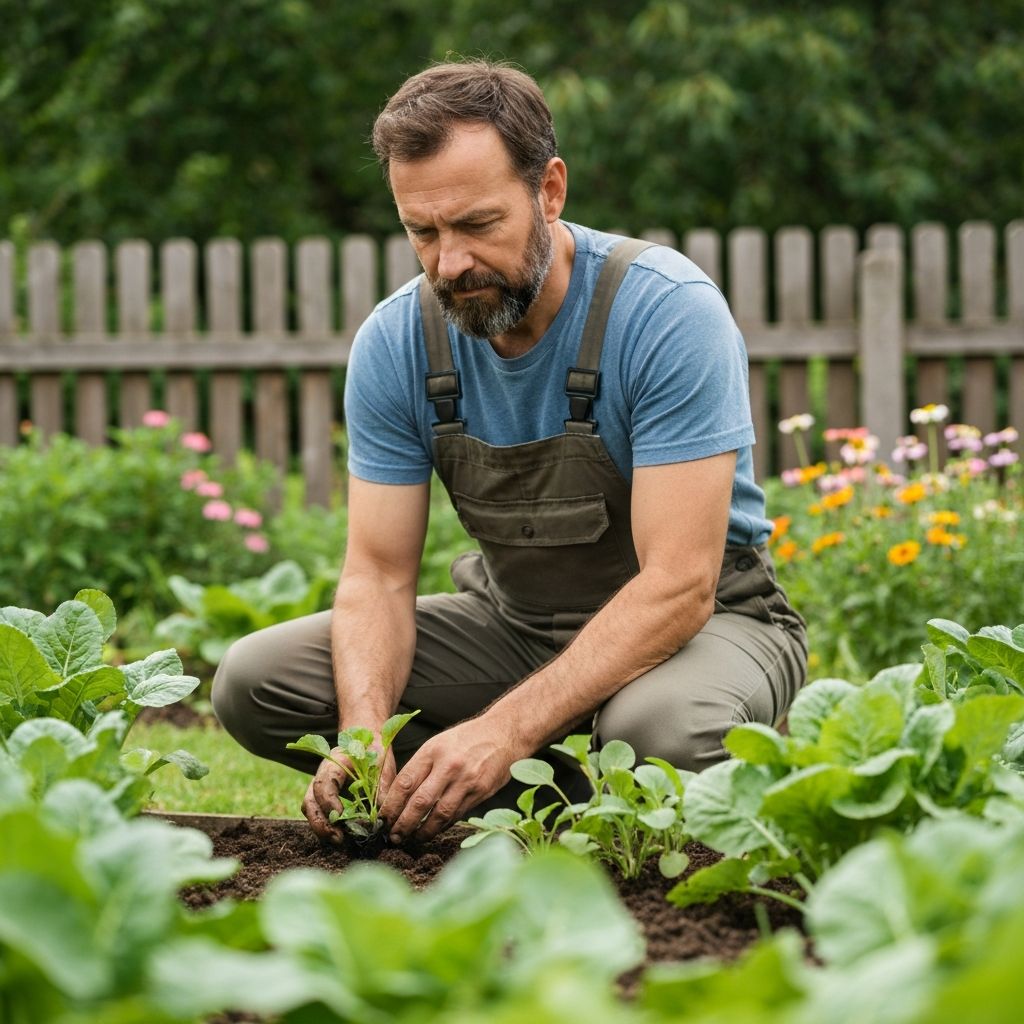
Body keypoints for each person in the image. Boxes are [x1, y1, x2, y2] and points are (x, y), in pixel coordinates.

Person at [212, 59, 806, 847]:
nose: (449, 262)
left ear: (549, 190)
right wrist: (363, 739)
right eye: (422, 232)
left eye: (476, 225)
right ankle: (559, 786)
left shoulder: (664, 312)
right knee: (256, 684)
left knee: (660, 731)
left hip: (707, 627)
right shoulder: (399, 341)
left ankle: (687, 758)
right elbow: (379, 575)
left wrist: (504, 730)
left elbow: (679, 587)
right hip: (518, 628)